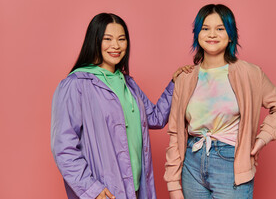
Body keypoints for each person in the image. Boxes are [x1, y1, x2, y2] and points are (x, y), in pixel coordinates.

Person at [51, 13, 192, 199]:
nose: (116, 46)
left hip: (136, 188)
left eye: (121, 39)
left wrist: (175, 84)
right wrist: (92, 188)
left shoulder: (128, 84)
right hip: (105, 192)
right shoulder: (76, 85)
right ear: (94, 41)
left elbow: (155, 118)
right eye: (107, 39)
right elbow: (63, 147)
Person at [164, 4, 276, 199]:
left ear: (231, 35)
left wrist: (262, 138)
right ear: (197, 34)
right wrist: (173, 185)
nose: (212, 34)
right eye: (205, 28)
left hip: (231, 162)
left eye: (220, 28)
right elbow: (175, 131)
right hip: (191, 163)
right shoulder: (185, 78)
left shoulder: (250, 74)